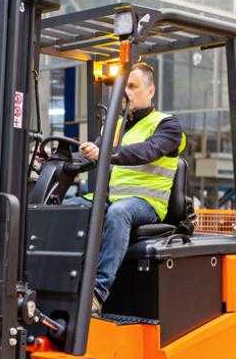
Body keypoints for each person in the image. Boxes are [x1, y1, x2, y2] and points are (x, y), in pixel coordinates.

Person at [77, 62, 185, 313]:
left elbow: (148, 151)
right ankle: (64, 281)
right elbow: (92, 155)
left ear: (150, 91)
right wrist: (62, 158)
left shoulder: (168, 125)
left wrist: (105, 152)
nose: (126, 92)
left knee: (119, 213)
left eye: (132, 86)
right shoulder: (115, 126)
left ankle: (97, 293)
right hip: (111, 197)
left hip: (147, 203)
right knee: (68, 208)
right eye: (123, 86)